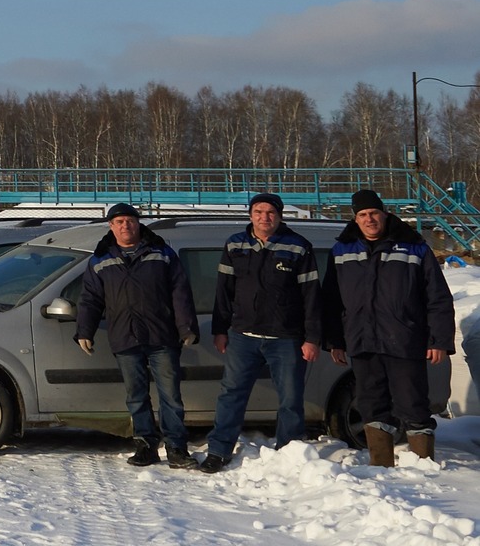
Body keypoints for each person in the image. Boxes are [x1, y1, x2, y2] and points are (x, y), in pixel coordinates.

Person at [321, 189, 455, 466]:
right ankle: (381, 466)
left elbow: (438, 298)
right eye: (362, 215)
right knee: (371, 405)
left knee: (413, 405)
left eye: (373, 213)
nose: (369, 219)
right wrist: (335, 340)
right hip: (362, 341)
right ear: (355, 219)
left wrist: (439, 340)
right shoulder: (342, 249)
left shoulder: (414, 247)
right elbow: (331, 300)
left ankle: (424, 465)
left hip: (405, 341)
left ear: (384, 214)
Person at [200, 192, 321, 473]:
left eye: (270, 212)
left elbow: (312, 297)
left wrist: (312, 338)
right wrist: (220, 329)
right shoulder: (235, 244)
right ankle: (218, 450)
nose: (264, 217)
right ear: (250, 215)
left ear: (279, 216)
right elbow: (223, 293)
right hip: (243, 337)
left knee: (290, 400)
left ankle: (288, 455)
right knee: (231, 395)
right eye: (258, 212)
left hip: (287, 339)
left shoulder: (298, 247)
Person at [75, 203, 200, 469]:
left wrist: (186, 327)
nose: (125, 226)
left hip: (161, 336)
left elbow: (180, 292)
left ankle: (177, 447)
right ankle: (145, 445)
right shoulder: (100, 259)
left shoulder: (162, 253)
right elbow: (90, 299)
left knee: (171, 395)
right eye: (119, 222)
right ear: (111, 226)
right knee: (135, 395)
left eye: (129, 221)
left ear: (138, 224)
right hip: (124, 336)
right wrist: (85, 331)